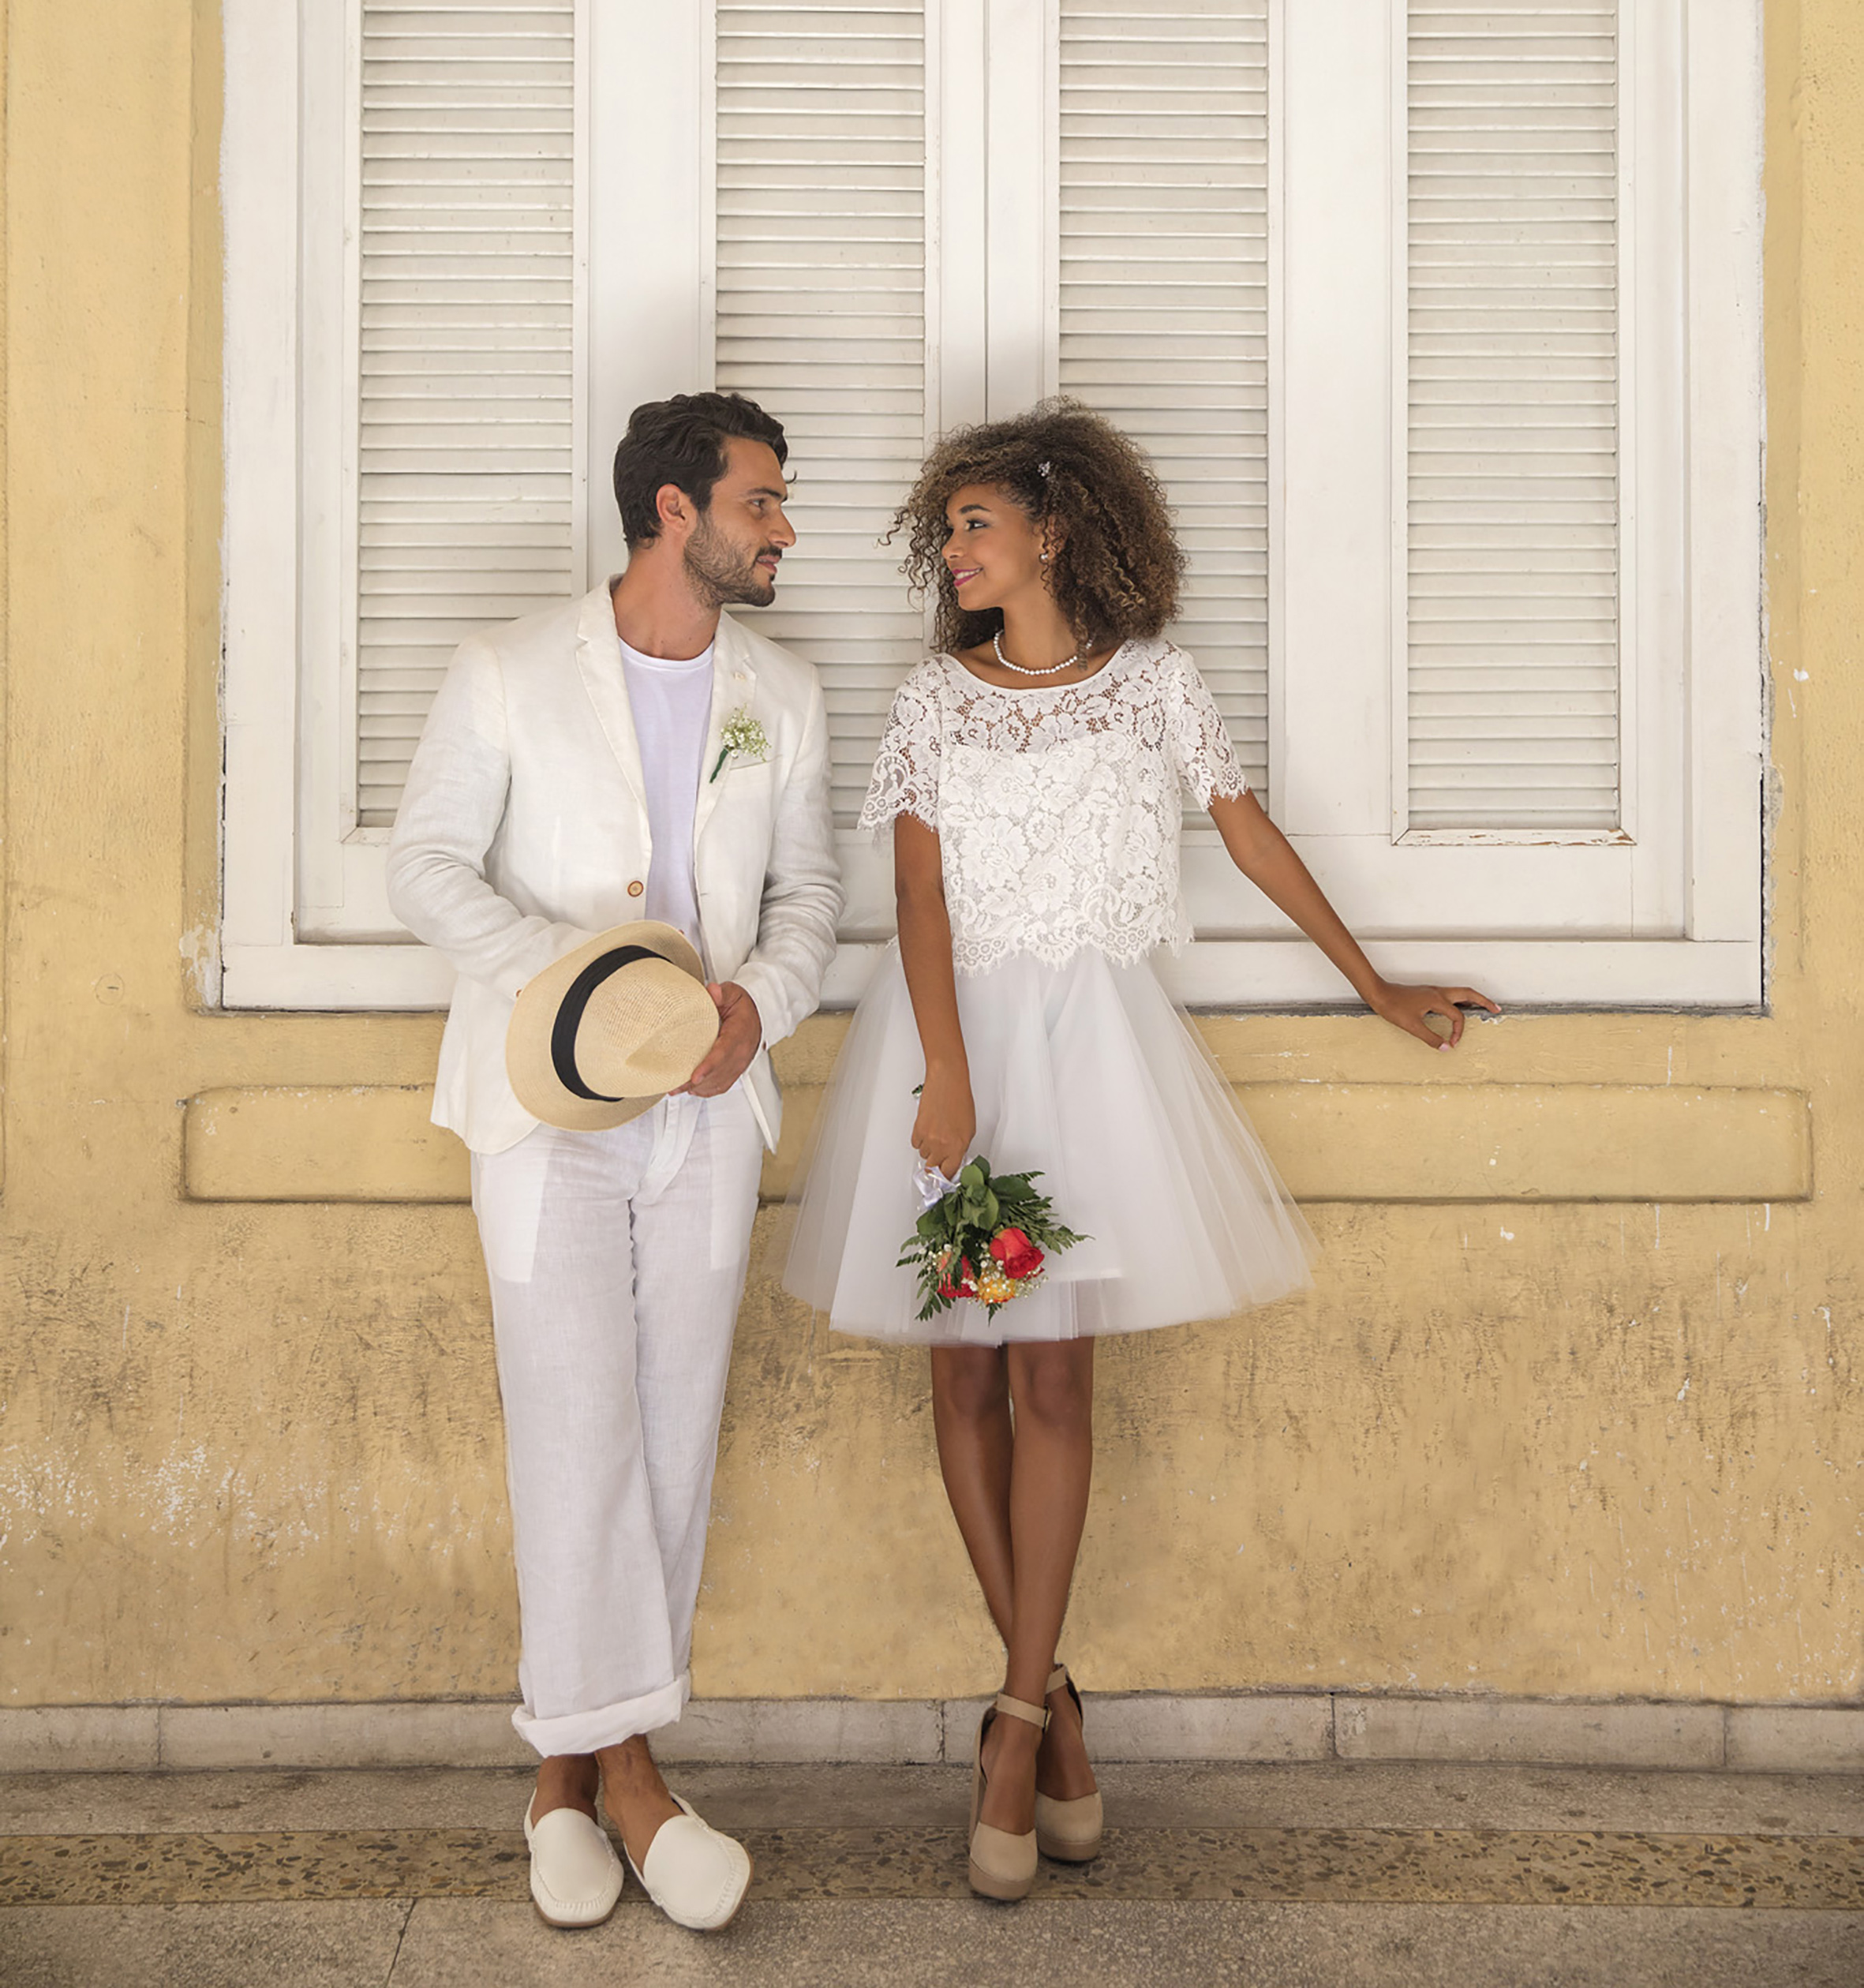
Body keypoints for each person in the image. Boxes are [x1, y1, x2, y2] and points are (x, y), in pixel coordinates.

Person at [784, 401, 1495, 1902]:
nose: (954, 551)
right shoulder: (934, 699)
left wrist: (1370, 984)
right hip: (951, 1063)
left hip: (1096, 1069)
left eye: (975, 523)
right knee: (964, 1366)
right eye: (947, 529)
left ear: (1053, 528)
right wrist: (948, 1081)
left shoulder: (1155, 688)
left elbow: (1246, 833)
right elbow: (917, 904)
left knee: (1053, 1376)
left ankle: (1019, 1716)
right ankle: (1048, 1705)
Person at [388, 392, 838, 1934]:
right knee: (572, 1429)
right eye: (761, 502)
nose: (782, 528)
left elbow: (808, 894)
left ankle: (562, 1783)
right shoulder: (506, 668)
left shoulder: (780, 689)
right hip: (540, 1111)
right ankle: (633, 1771)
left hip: (707, 1111)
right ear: (673, 509)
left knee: (667, 1430)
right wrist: (584, 988)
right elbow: (425, 861)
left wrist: (745, 1006)